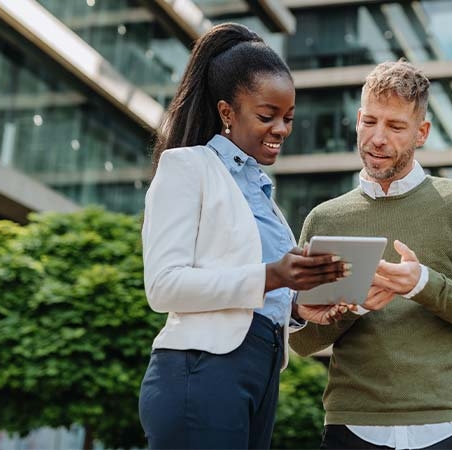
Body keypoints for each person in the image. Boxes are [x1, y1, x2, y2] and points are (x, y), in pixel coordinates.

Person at [139, 23, 351, 449]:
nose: (281, 129)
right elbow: (163, 287)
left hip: (260, 374)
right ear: (226, 112)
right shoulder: (188, 167)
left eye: (288, 118)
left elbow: (258, 292)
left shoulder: (261, 193)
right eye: (266, 115)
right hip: (202, 373)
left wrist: (300, 306)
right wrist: (273, 275)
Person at [289, 60, 452, 450]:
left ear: (421, 132)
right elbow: (303, 341)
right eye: (370, 122)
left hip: (444, 427)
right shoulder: (324, 219)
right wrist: (355, 306)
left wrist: (423, 285)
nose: (378, 138)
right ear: (358, 120)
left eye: (395, 127)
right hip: (350, 428)